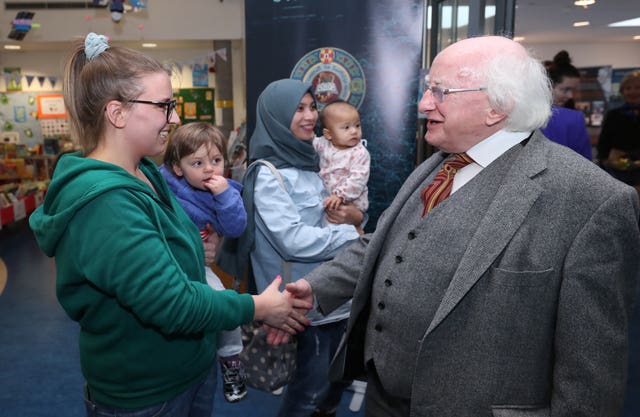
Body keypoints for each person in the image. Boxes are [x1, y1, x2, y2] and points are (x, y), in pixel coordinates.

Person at [285, 36, 640, 417]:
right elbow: (391, 240)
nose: (423, 105)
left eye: (440, 92)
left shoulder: (592, 201)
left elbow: (590, 376)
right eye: (427, 90)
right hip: (384, 398)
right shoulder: (439, 163)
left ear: (498, 107)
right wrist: (315, 287)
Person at [27, 33, 310, 417]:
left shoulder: (145, 170)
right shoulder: (106, 203)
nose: (175, 118)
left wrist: (195, 250)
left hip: (187, 369)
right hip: (147, 392)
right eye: (164, 106)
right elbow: (173, 304)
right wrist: (258, 307)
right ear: (118, 113)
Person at [227, 79, 364, 417]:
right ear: (275, 117)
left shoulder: (307, 162)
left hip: (333, 293)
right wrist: (352, 234)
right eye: (298, 109)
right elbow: (292, 240)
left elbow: (329, 218)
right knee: (309, 389)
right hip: (304, 302)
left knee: (336, 379)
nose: (309, 117)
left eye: (311, 107)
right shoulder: (268, 174)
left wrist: (350, 217)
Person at [159, 122, 248, 403]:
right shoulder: (164, 184)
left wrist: (223, 196)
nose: (209, 169)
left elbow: (235, 228)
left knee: (223, 300)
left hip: (201, 266)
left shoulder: (225, 192)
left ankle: (231, 360)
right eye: (197, 162)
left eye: (216, 160)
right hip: (169, 263)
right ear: (177, 167)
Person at [314, 100, 370, 212]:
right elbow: (309, 141)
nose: (354, 131)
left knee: (340, 224)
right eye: (346, 127)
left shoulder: (360, 153)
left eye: (357, 125)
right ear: (328, 134)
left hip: (351, 203)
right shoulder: (323, 144)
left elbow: (357, 180)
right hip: (327, 200)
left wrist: (340, 195)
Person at [541, 51, 592, 160]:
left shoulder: (524, 114)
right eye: (565, 89)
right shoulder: (573, 118)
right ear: (549, 85)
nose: (570, 96)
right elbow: (584, 160)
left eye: (573, 90)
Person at [597, 70, 640, 192]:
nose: (632, 92)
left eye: (638, 87)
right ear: (622, 92)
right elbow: (604, 140)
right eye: (628, 88)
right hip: (617, 168)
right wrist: (603, 159)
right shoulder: (613, 114)